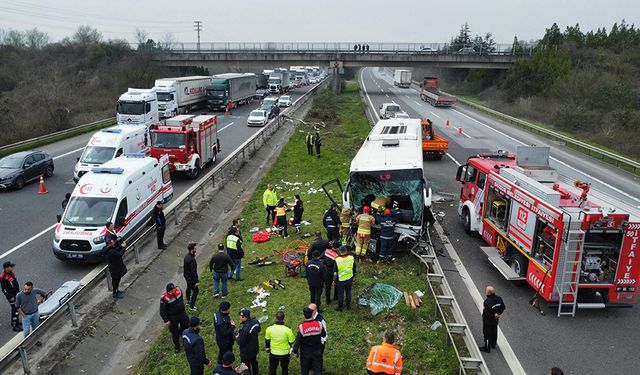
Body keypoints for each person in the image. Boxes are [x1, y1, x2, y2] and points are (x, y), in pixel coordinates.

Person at [292, 307, 326, 375]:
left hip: (305, 354)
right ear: (312, 314)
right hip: (317, 351)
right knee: (317, 369)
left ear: (304, 315)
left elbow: (297, 341)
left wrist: (295, 351)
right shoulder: (319, 324)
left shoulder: (302, 327)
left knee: (304, 370)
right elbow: (324, 334)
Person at [160, 283, 190, 353]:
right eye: (169, 292)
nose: (171, 293)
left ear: (174, 289)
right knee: (174, 332)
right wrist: (166, 320)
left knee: (186, 325)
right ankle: (177, 346)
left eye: (172, 291)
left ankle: (184, 335)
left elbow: (181, 299)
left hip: (181, 313)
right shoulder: (164, 298)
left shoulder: (178, 291)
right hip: (172, 316)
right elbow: (162, 310)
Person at [480, 286, 505, 353]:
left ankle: (487, 348)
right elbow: (503, 307)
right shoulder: (499, 299)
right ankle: (493, 344)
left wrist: (493, 315)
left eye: (486, 291)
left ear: (488, 293)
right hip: (495, 320)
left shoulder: (487, 302)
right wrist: (498, 314)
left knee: (487, 333)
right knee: (494, 331)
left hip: (488, 321)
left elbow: (487, 313)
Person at [236, 308, 261, 375]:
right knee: (254, 362)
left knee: (246, 366)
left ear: (243, 317)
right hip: (254, 348)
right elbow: (259, 330)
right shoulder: (256, 321)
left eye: (240, 316)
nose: (239, 318)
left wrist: (237, 337)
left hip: (246, 352)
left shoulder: (245, 329)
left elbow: (240, 342)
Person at [334, 246, 356, 311]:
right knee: (348, 292)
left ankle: (340, 307)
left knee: (340, 293)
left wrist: (334, 280)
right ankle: (348, 306)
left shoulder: (337, 260)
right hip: (349, 278)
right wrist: (354, 276)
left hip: (341, 279)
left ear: (340, 252)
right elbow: (354, 268)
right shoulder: (351, 258)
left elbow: (335, 272)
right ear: (346, 251)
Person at [1, 261, 21, 332]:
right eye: (11, 267)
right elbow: (4, 290)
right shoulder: (3, 277)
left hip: (16, 294)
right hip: (11, 296)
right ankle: (14, 325)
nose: (12, 268)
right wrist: (10, 297)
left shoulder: (11, 273)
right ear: (6, 268)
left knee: (17, 307)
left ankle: (17, 322)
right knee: (15, 309)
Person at [308, 303, 327, 370]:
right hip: (311, 342)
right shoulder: (310, 317)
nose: (309, 312)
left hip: (319, 343)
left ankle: (319, 370)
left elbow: (325, 333)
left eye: (311, 310)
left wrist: (321, 343)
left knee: (319, 357)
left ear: (316, 310)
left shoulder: (321, 319)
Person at [183, 242, 199, 310]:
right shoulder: (192, 260)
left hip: (187, 276)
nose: (196, 249)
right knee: (196, 291)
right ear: (192, 249)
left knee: (188, 288)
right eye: (195, 248)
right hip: (192, 278)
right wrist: (196, 281)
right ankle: (192, 306)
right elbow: (193, 272)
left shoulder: (186, 256)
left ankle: (188, 300)